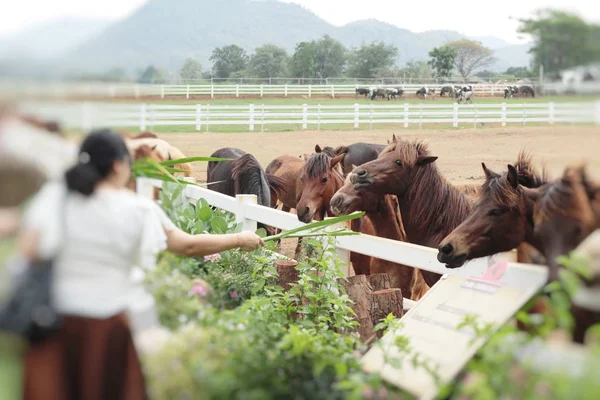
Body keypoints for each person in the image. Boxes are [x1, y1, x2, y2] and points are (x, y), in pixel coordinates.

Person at [17, 129, 264, 400]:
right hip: (110, 325)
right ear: (117, 165)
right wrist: (240, 238)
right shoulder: (137, 209)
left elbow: (29, 252)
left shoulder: (56, 196)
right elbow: (188, 245)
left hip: (56, 321)